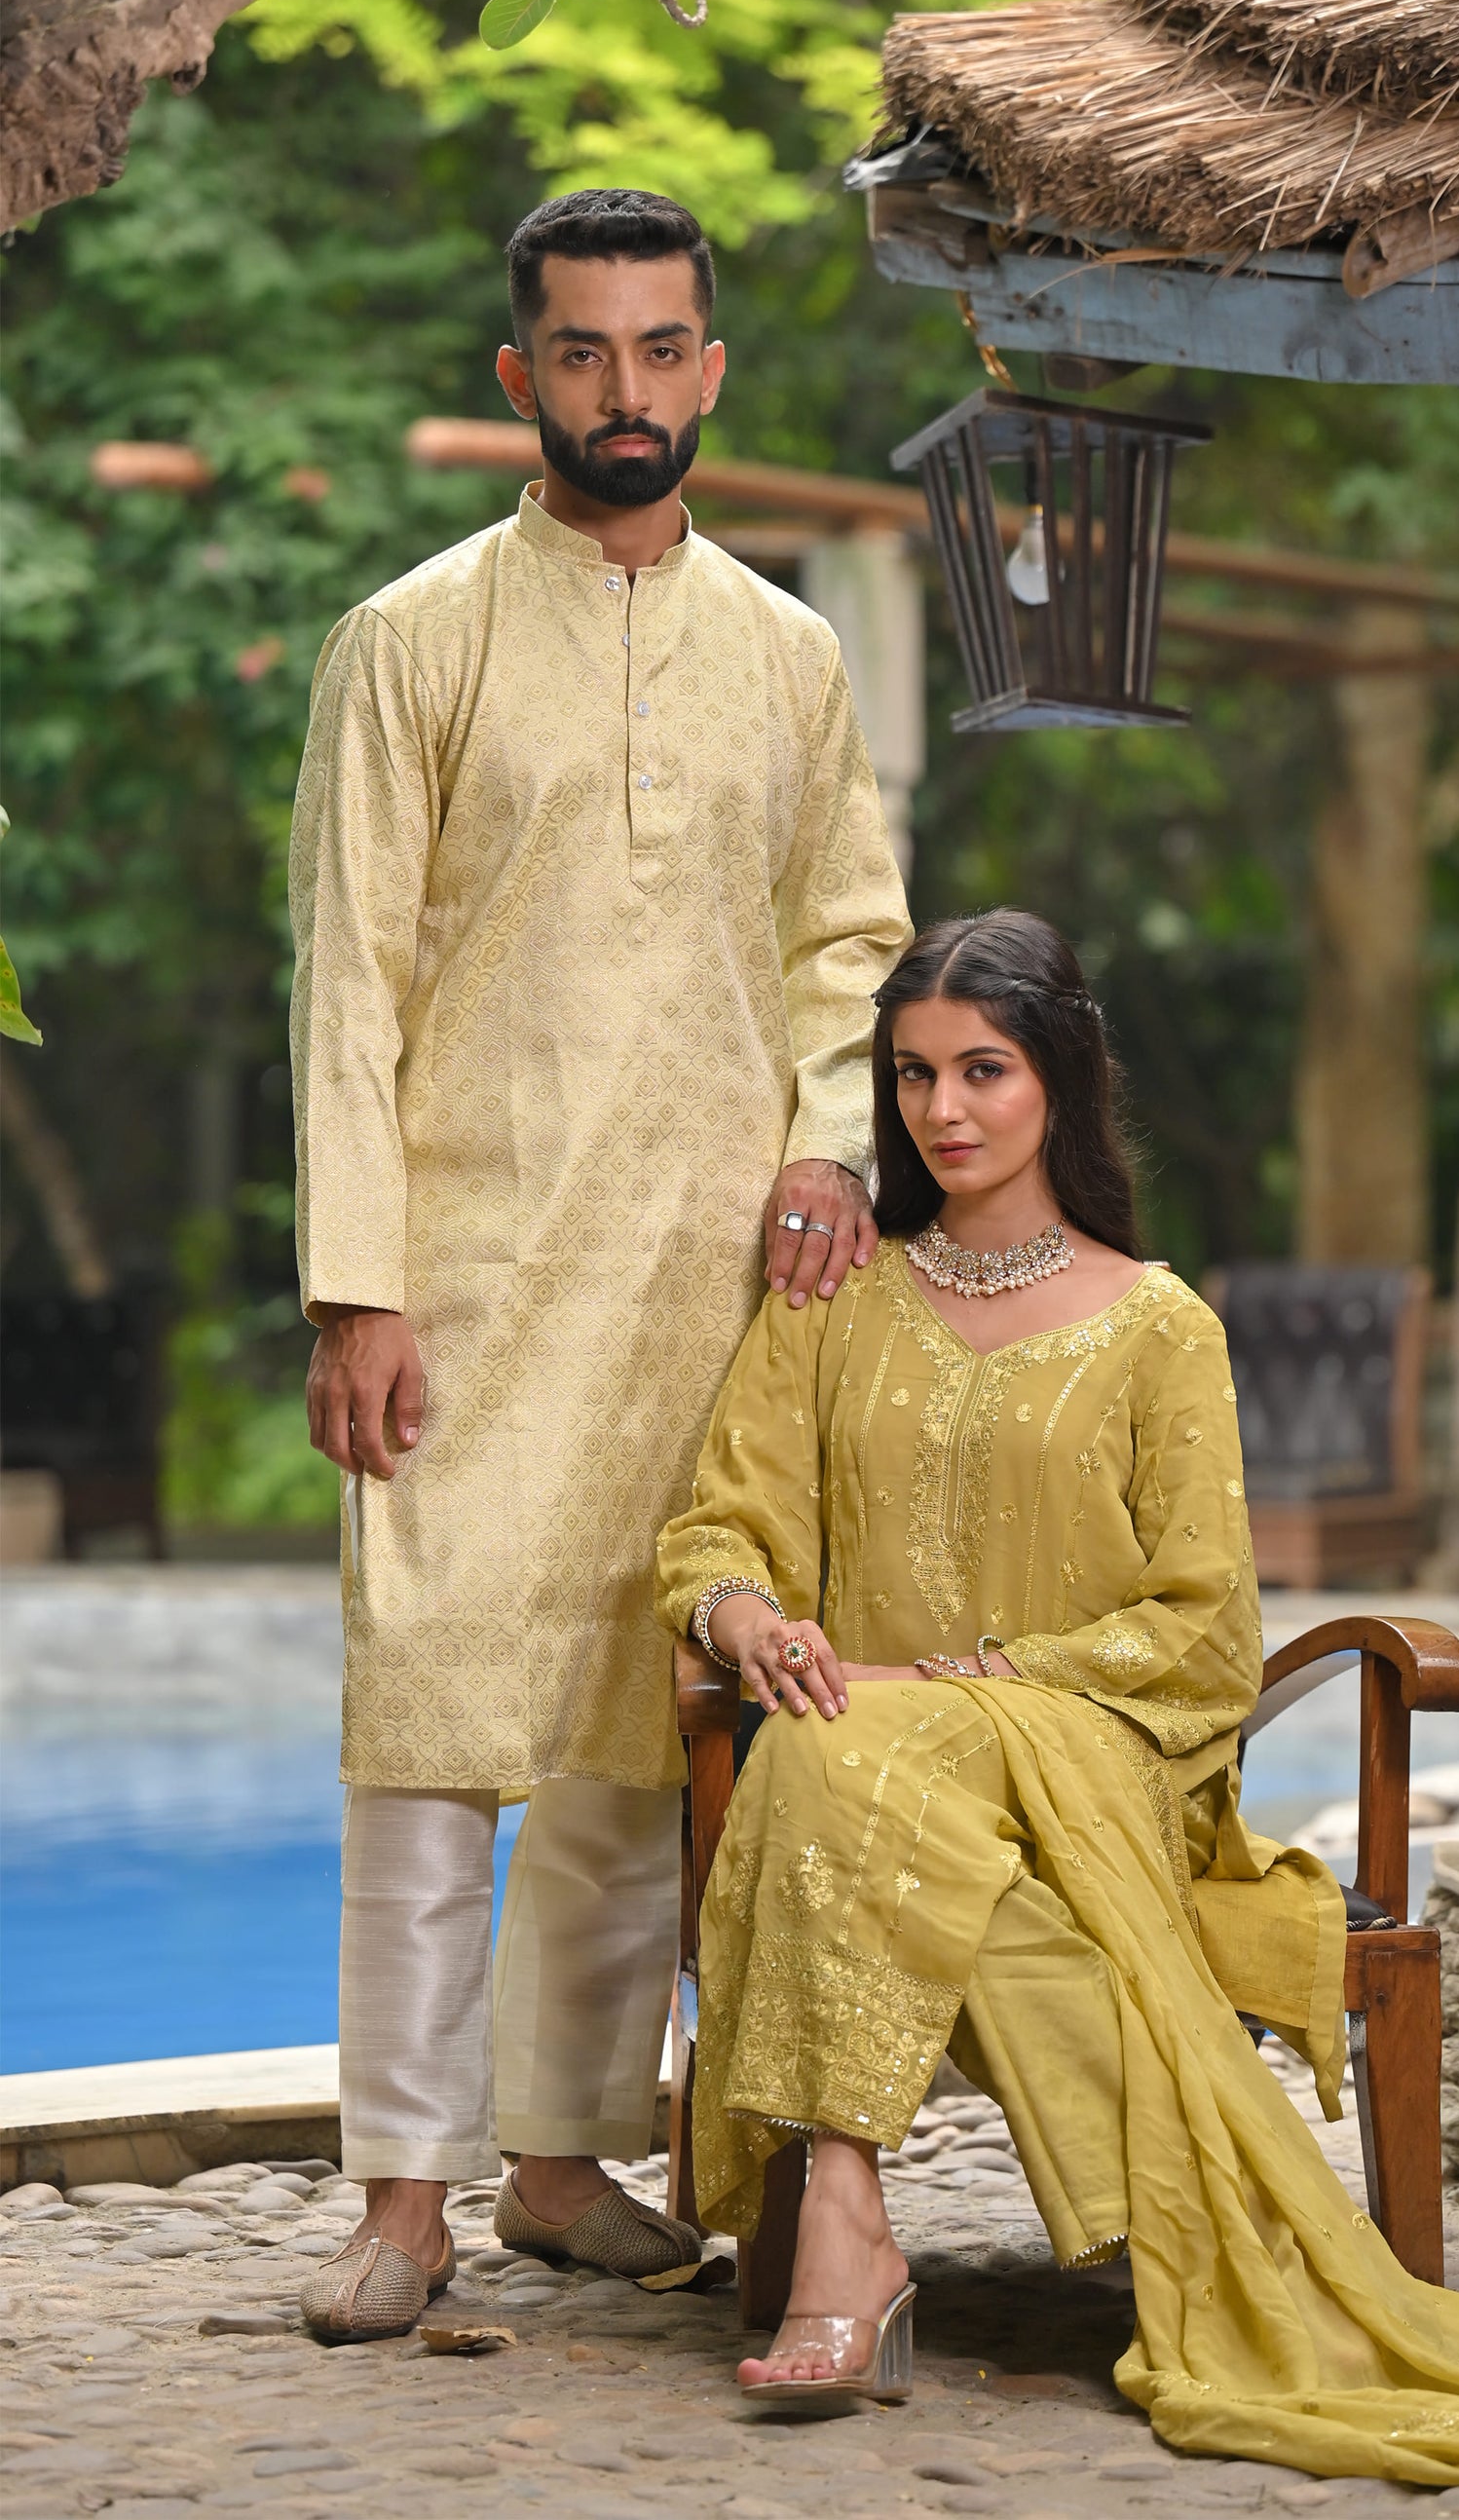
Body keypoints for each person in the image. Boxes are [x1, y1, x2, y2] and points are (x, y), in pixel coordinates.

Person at [655, 910, 1459, 2494]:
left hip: (1097, 1769)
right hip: (867, 1768)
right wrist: (744, 1613)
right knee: (843, 1746)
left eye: (983, 1070)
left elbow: (1199, 1629)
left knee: (838, 1741)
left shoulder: (1156, 1326)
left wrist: (961, 1685)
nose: (942, 1110)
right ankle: (845, 2208)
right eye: (911, 1076)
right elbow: (718, 1525)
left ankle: (847, 2244)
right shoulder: (832, 1304)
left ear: (1059, 1079)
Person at [288, 186, 911, 2342]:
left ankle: (559, 2165)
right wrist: (355, 1284)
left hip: (703, 1290)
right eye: (581, 351)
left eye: (659, 349)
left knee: (640, 1739)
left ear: (709, 370)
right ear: (519, 376)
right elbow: (346, 984)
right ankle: (401, 2197)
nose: (622, 389)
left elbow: (849, 938)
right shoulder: (411, 641)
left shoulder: (790, 653)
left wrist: (826, 1141)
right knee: (427, 1729)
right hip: (460, 1282)